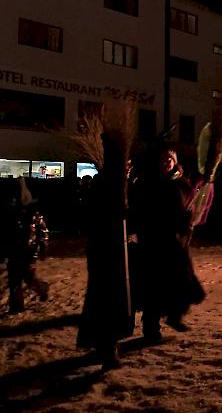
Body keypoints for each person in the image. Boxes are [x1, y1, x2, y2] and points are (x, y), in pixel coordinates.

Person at [76, 133, 135, 369]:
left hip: (109, 251)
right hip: (107, 254)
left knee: (107, 299)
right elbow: (103, 217)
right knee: (108, 299)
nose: (129, 169)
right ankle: (107, 348)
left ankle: (105, 345)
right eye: (127, 165)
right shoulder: (108, 185)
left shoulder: (113, 184)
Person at [135, 148, 206, 340]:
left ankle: (175, 316)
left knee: (183, 282)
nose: (166, 162)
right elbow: (142, 209)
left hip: (176, 243)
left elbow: (190, 207)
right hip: (154, 242)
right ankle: (151, 329)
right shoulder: (150, 183)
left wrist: (189, 220)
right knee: (153, 287)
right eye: (163, 159)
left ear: (175, 162)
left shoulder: (183, 184)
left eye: (169, 159)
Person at [4, 177, 50, 314]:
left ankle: (42, 289)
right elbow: (7, 233)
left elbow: (43, 234)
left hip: (28, 251)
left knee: (28, 277)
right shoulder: (12, 215)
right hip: (15, 250)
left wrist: (42, 249)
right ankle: (16, 306)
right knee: (14, 279)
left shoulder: (34, 216)